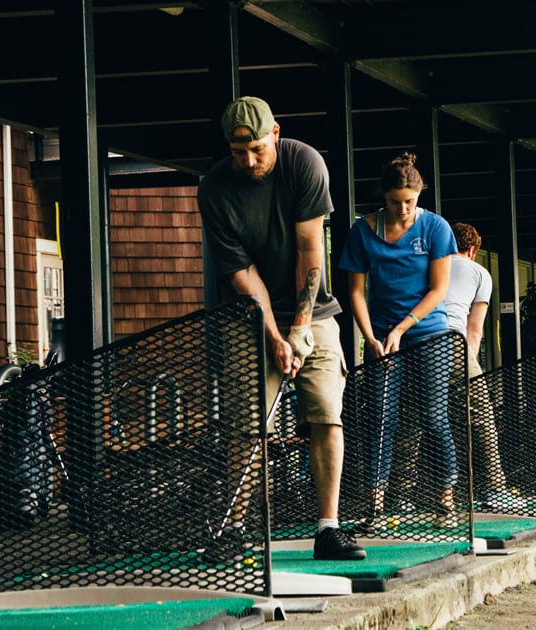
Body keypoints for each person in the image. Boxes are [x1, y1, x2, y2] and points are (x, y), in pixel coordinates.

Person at [197, 96, 364, 560]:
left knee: (326, 413)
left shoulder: (303, 163)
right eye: (237, 153)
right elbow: (242, 275)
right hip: (247, 315)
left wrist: (298, 330)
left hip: (315, 310)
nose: (248, 161)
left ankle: (328, 529)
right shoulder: (213, 188)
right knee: (246, 427)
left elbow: (311, 250)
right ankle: (235, 529)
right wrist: (273, 335)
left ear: (275, 133)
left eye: (257, 150)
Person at [338, 152, 459, 528]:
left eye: (410, 201)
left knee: (433, 415)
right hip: (379, 336)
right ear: (383, 198)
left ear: (419, 195)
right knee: (380, 418)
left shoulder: (436, 228)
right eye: (395, 202)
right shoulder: (363, 230)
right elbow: (355, 292)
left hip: (428, 331)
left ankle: (446, 500)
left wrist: (401, 329)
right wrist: (370, 337)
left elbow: (439, 290)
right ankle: (375, 507)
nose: (403, 208)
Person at [445, 222, 525, 511]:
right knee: (481, 415)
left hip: (416, 342)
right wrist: (469, 370)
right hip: (452, 343)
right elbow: (474, 331)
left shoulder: (428, 264)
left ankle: (403, 496)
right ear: (473, 249)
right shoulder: (479, 272)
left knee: (416, 420)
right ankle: (494, 489)